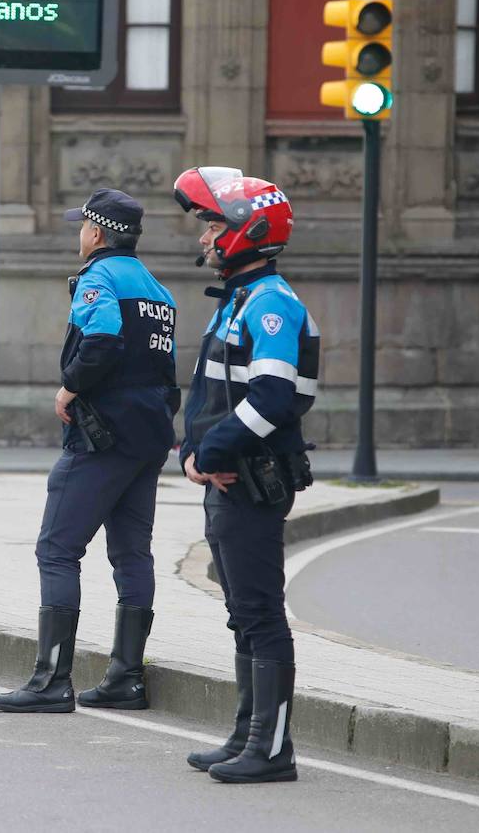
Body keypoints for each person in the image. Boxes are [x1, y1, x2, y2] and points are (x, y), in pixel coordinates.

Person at [0, 188, 178, 714]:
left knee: (57, 549)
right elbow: (167, 372)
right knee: (132, 553)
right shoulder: (159, 290)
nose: (79, 234)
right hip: (149, 436)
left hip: (103, 436)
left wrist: (69, 388)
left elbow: (101, 343)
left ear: (95, 233)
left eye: (81, 227)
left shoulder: (99, 279)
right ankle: (126, 678)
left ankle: (51, 680)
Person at [172, 166, 319, 784]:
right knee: (241, 612)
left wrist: (210, 455)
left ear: (244, 230)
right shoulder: (238, 299)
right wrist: (192, 448)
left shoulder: (272, 304)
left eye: (211, 223)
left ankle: (274, 748)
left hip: (252, 481)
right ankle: (246, 735)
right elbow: (209, 395)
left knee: (260, 612)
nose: (204, 235)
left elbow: (272, 399)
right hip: (226, 479)